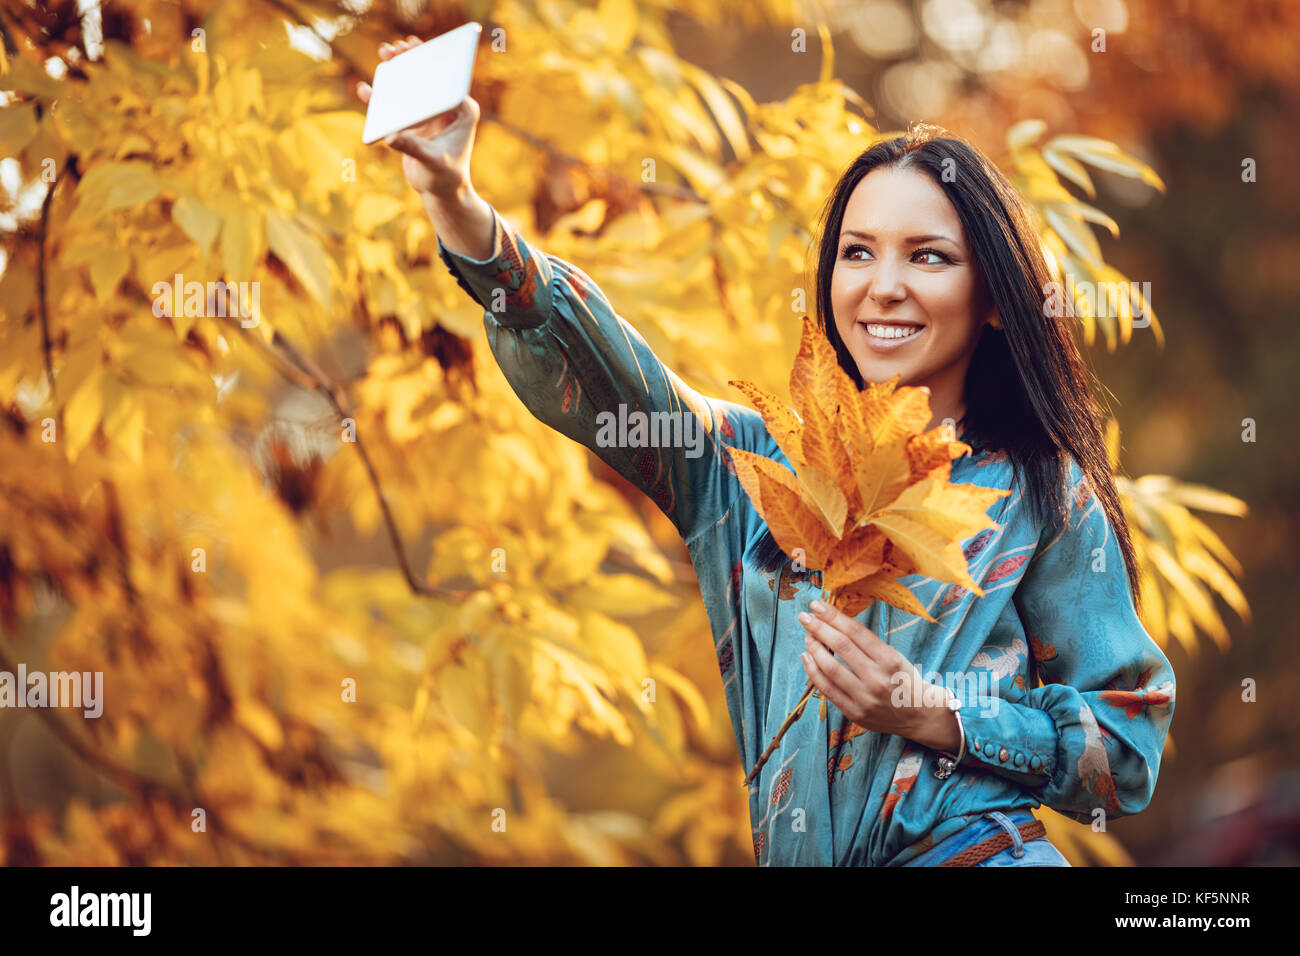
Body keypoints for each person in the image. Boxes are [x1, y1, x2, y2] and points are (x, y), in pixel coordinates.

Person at [356, 37, 1176, 866]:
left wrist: (935, 712)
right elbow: (614, 377)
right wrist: (455, 201)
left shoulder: (1038, 489)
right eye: (857, 252)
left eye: (928, 256)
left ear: (994, 299)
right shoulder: (757, 466)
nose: (882, 284)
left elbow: (1128, 750)